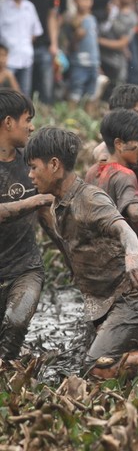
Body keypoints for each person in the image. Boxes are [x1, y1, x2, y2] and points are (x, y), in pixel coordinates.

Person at [25, 127, 138, 377]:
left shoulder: (90, 199)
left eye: (34, 167)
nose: (30, 175)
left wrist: (132, 256)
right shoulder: (58, 203)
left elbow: (124, 229)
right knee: (101, 361)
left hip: (133, 298)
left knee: (94, 368)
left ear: (54, 165)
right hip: (107, 302)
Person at [0, 91, 51, 359]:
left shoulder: (30, 161)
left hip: (25, 267)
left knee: (16, 322)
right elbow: (37, 204)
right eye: (27, 119)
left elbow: (46, 214)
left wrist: (70, 254)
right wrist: (32, 203)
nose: (31, 126)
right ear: (8, 122)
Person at [0, 0, 42, 99]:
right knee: (6, 96)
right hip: (7, 58)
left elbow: (36, 31)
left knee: (24, 95)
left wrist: (26, 44)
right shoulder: (3, 6)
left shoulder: (29, 7)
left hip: (26, 56)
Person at [64, 0, 100, 110]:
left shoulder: (92, 18)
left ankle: (87, 119)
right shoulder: (72, 19)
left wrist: (98, 62)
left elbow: (94, 43)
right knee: (75, 91)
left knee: (91, 93)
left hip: (93, 62)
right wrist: (76, 37)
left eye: (89, 0)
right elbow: (70, 45)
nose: (86, 3)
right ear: (75, 0)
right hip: (79, 62)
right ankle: (71, 116)